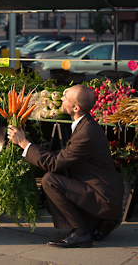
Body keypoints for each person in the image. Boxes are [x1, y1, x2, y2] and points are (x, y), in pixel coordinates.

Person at [8, 84, 124, 248]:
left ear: (76, 107)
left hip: (103, 196)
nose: (61, 98)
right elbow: (63, 158)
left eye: (66, 97)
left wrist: (23, 143)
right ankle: (101, 221)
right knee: (51, 201)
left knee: (49, 181)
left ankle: (80, 233)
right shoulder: (85, 125)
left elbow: (54, 164)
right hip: (99, 191)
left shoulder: (87, 132)